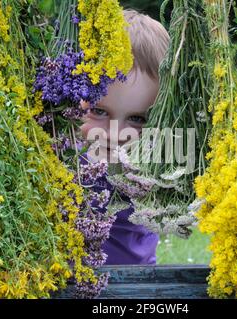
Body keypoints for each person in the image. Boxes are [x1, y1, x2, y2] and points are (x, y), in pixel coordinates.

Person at [79, 9, 170, 265]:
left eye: (137, 119)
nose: (115, 135)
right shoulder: (65, 162)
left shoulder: (156, 167)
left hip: (138, 287)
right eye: (99, 111)